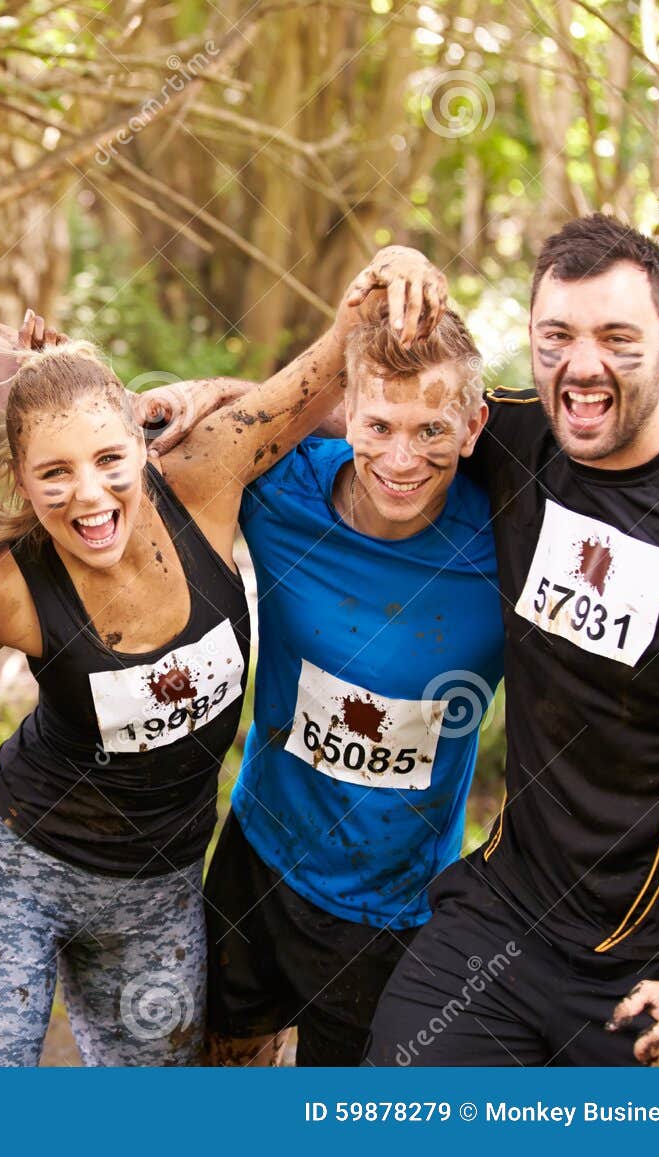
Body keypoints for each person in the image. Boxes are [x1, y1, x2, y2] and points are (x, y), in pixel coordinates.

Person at [0, 197, 448, 1065]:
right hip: (15, 865)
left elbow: (326, 364)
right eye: (54, 475)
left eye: (110, 463)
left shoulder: (208, 475)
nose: (89, 496)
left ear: (140, 445)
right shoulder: (5, 590)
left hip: (158, 889)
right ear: (23, 478)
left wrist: (397, 261)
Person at [366, 214, 659, 1067]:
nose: (583, 365)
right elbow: (366, 410)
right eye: (557, 336)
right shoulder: (516, 437)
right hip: (509, 922)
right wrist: (177, 401)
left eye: (617, 338)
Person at [199, 305, 505, 1066]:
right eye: (379, 427)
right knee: (218, 1057)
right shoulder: (282, 493)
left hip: (392, 905)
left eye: (432, 430)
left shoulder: (509, 540)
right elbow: (95, 425)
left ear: (473, 427)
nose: (402, 458)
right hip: (259, 856)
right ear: (345, 417)